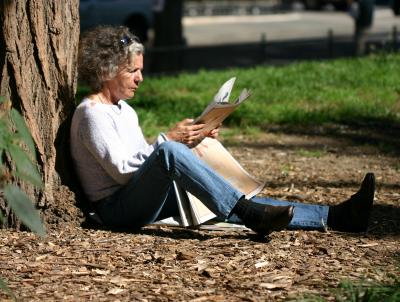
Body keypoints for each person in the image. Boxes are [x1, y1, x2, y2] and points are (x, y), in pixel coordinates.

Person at [70, 25, 375, 237]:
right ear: (106, 71)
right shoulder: (92, 114)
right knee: (171, 153)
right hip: (116, 210)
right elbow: (124, 173)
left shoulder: (124, 110)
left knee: (220, 199)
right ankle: (247, 210)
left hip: (136, 198)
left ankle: (337, 217)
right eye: (132, 71)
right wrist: (169, 141)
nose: (141, 78)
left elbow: (139, 161)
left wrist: (192, 138)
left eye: (141, 70)